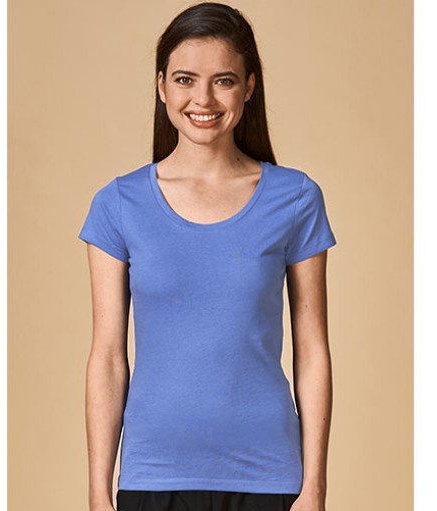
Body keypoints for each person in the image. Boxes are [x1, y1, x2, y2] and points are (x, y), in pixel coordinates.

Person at [78, 2, 337, 511]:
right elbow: (107, 358)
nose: (203, 99)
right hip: (154, 477)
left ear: (249, 87)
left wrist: (315, 488)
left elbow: (312, 352)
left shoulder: (296, 198)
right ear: (161, 87)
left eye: (223, 81)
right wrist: (97, 493)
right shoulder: (118, 204)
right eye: (184, 79)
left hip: (269, 477)